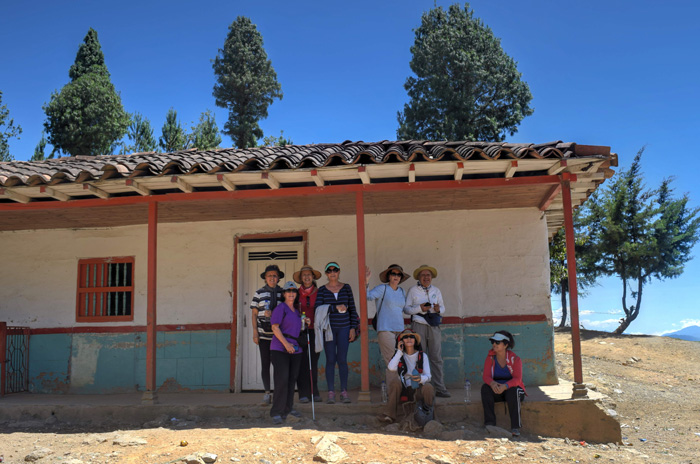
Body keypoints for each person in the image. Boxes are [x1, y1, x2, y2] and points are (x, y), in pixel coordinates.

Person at [314, 261, 358, 404]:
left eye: (335, 270)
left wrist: (353, 328)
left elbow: (352, 308)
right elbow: (318, 310)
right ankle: (331, 392)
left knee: (343, 360)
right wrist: (335, 308)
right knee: (330, 360)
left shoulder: (346, 288)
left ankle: (344, 391)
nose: (332, 272)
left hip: (344, 328)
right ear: (326, 274)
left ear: (339, 272)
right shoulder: (322, 290)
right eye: (329, 270)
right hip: (329, 330)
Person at [404, 264, 449, 397]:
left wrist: (438, 309)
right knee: (418, 356)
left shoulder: (436, 290)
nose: (426, 277)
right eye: (423, 275)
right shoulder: (412, 290)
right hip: (418, 325)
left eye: (428, 275)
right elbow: (406, 309)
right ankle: (418, 387)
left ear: (431, 277)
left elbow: (443, 308)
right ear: (418, 277)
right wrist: (420, 308)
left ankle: (440, 387)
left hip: (434, 326)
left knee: (436, 357)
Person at [269, 281, 310, 424]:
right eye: (288, 291)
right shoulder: (281, 308)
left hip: (296, 349)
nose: (291, 293)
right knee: (282, 380)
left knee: (292, 379)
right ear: (284, 294)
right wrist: (286, 344)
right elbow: (275, 328)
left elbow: (298, 329)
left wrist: (306, 322)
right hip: (280, 349)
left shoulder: (297, 311)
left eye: (293, 291)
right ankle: (277, 412)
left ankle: (288, 408)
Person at [379, 329, 435, 424]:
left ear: (415, 341)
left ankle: (428, 416)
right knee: (395, 383)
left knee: (429, 387)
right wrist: (399, 351)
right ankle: (390, 415)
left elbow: (428, 376)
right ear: (401, 341)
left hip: (418, 387)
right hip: (404, 388)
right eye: (405, 337)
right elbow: (391, 368)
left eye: (411, 337)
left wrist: (420, 379)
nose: (409, 339)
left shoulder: (423, 356)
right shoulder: (400, 355)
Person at [480, 330, 527, 437]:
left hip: (512, 390)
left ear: (505, 345)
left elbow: (517, 379)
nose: (494, 345)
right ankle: (490, 424)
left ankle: (515, 427)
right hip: (498, 389)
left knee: (513, 391)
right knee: (485, 389)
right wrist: (492, 384)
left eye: (497, 342)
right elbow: (486, 376)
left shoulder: (515, 359)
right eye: (493, 342)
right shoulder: (490, 358)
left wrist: (505, 386)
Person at [365, 264, 409, 375]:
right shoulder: (382, 288)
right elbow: (367, 296)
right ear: (388, 276)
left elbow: (406, 309)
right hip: (385, 329)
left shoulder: (402, 292)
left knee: (403, 360)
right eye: (393, 273)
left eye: (399, 274)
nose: (396, 276)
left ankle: (400, 387)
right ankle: (394, 389)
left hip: (400, 330)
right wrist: (366, 282)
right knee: (392, 360)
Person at [251, 264, 284, 404]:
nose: (272, 278)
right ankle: (266, 393)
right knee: (265, 363)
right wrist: (254, 332)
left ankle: (278, 393)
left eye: (275, 275)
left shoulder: (283, 292)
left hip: (279, 336)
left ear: (278, 278)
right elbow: (254, 313)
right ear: (265, 278)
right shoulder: (259, 293)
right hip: (263, 335)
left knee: (279, 365)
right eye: (269, 275)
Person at [293, 264, 322, 403]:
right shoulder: (295, 293)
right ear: (300, 278)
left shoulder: (319, 292)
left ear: (313, 277)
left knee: (313, 362)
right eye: (304, 275)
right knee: (301, 362)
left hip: (315, 331)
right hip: (299, 332)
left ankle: (314, 391)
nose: (306, 277)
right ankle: (303, 393)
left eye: (309, 274)